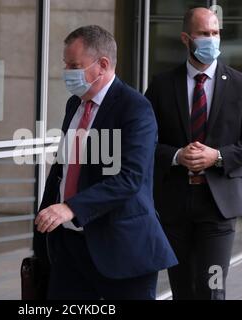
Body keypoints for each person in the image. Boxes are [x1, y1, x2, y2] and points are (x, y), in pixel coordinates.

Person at [33, 25, 177, 300]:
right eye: (65, 64)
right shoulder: (74, 105)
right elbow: (63, 169)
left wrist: (70, 208)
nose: (67, 71)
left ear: (102, 65)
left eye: (74, 65)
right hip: (69, 248)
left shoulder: (135, 108)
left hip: (121, 250)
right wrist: (42, 232)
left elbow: (129, 179)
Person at [145, 8, 242, 300]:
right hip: (174, 205)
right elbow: (145, 142)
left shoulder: (240, 84)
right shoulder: (162, 85)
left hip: (218, 207)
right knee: (182, 290)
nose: (211, 39)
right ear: (186, 38)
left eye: (215, 33)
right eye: (204, 33)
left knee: (212, 289)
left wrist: (218, 156)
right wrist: (176, 156)